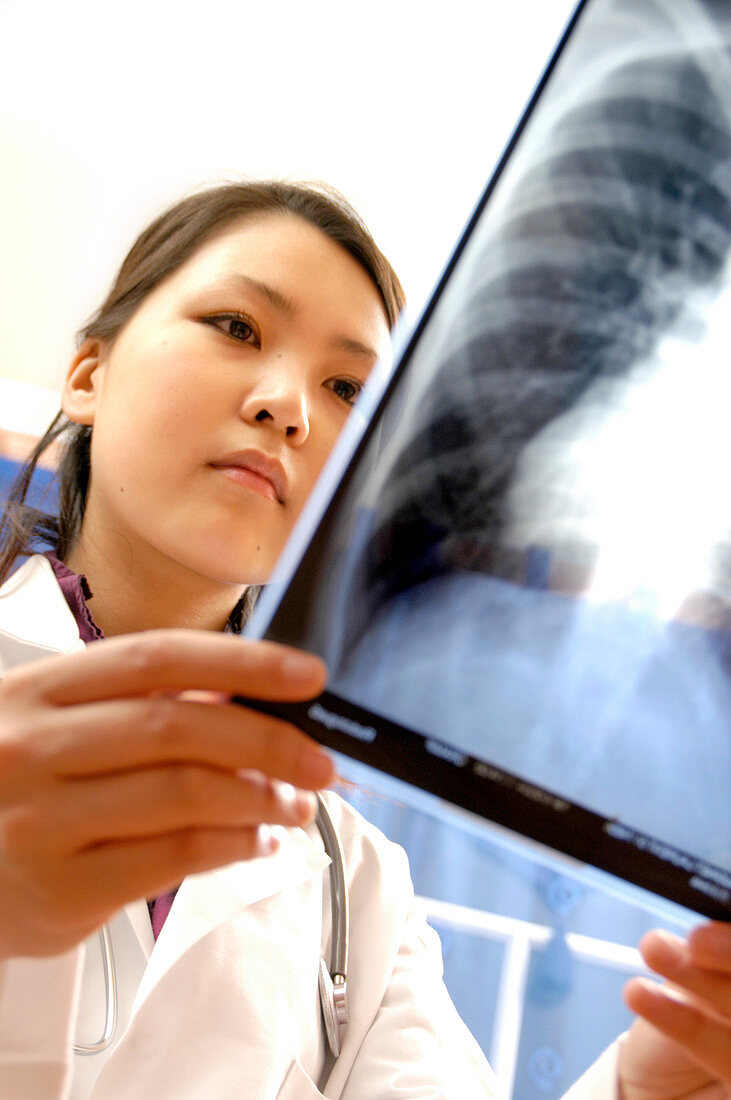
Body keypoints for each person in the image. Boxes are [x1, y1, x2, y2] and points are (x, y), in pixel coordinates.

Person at [0, 178, 728, 1100]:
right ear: (88, 375)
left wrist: (644, 1090)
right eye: (235, 327)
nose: (288, 406)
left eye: (345, 387)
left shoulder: (351, 875)